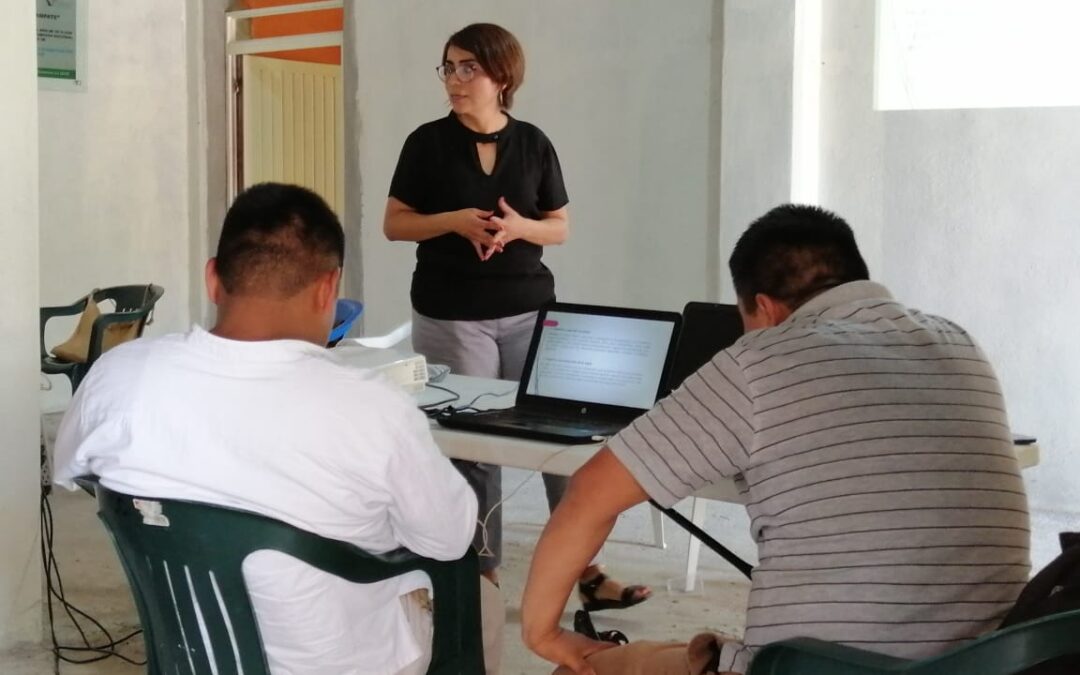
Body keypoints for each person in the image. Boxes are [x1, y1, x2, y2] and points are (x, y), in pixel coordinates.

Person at [521, 204, 1031, 675]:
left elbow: (591, 493)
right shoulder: (959, 342)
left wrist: (543, 633)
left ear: (764, 308)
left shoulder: (762, 359)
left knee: (581, 667)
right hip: (993, 661)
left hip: (816, 666)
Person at [53, 183, 479, 675]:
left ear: (213, 279)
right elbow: (448, 540)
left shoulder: (119, 374)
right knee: (478, 604)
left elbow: (73, 472)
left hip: (191, 656)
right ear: (329, 289)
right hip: (343, 663)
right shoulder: (375, 408)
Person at [383, 22, 650, 610]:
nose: (454, 80)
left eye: (467, 68)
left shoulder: (534, 143)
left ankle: (585, 572)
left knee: (560, 438)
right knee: (474, 450)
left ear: (502, 76)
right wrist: (452, 220)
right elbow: (395, 223)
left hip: (531, 311)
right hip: (453, 314)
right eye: (448, 67)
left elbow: (560, 225)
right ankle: (481, 577)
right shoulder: (425, 143)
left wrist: (519, 228)